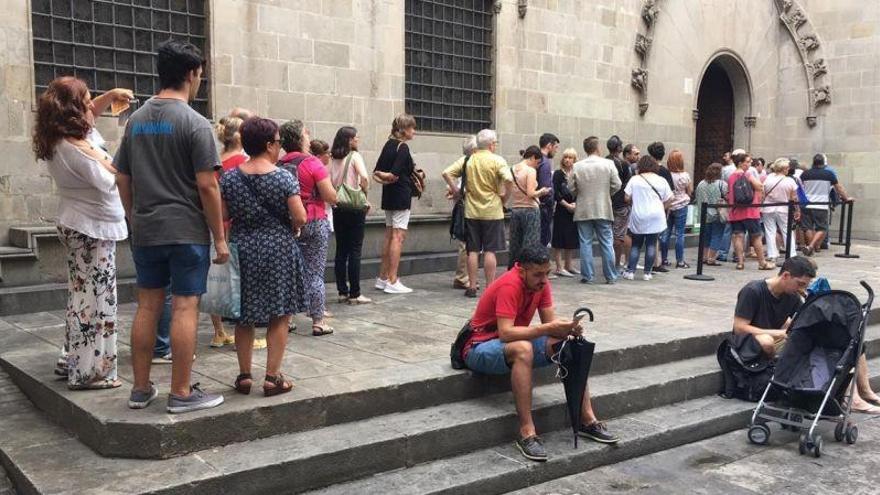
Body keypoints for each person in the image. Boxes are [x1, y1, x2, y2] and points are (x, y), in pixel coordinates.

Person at [115, 40, 225, 413]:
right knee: (184, 308)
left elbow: (122, 178)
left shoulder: (137, 120)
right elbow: (208, 185)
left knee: (147, 307)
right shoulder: (196, 124)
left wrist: (134, 216)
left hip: (147, 229)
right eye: (200, 76)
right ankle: (180, 392)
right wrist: (221, 238)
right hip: (185, 230)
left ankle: (141, 388)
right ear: (191, 75)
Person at [459, 245, 619, 462]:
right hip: (477, 347)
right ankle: (527, 432)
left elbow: (550, 324)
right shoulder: (509, 284)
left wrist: (567, 329)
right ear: (522, 270)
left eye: (547, 273)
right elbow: (506, 333)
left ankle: (587, 419)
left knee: (568, 344)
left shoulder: (541, 283)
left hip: (508, 343)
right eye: (538, 274)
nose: (544, 280)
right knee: (523, 348)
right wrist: (547, 329)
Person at [33, 77, 129, 390]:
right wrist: (117, 160)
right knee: (97, 302)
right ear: (73, 108)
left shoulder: (63, 136)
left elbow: (92, 115)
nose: (92, 105)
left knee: (82, 296)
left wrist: (111, 95)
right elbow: (107, 178)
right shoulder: (75, 148)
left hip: (83, 224)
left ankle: (71, 359)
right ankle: (90, 372)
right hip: (91, 229)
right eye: (86, 100)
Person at [220, 117, 306, 397]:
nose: (280, 147)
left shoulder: (230, 177)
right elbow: (300, 215)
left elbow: (222, 215)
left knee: (244, 315)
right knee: (279, 314)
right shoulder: (283, 177)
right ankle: (272, 377)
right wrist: (293, 223)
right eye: (278, 142)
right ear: (269, 144)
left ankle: (244, 375)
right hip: (278, 249)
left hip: (243, 247)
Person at [279, 119, 338, 336]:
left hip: (287, 222)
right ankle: (318, 320)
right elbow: (331, 196)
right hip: (314, 220)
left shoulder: (279, 164)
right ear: (300, 138)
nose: (309, 135)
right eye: (306, 132)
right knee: (314, 272)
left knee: (288, 272)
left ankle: (287, 318)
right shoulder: (313, 163)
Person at [208, 114, 262, 350]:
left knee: (217, 280)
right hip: (238, 226)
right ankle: (246, 334)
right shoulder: (244, 161)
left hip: (216, 224)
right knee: (243, 282)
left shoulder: (218, 160)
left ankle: (219, 331)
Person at [442, 129, 513, 298]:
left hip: (471, 211)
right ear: (491, 144)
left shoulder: (468, 160)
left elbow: (446, 173)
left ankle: (472, 286)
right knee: (490, 250)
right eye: (495, 143)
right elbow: (509, 180)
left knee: (472, 250)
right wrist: (504, 197)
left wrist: (456, 191)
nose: (495, 145)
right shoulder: (497, 160)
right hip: (492, 211)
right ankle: (489, 288)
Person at [730, 256, 814, 359]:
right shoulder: (752, 291)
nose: (802, 289)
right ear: (786, 275)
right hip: (746, 342)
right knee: (766, 341)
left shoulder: (792, 295)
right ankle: (773, 367)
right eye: (800, 284)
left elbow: (804, 320)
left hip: (773, 338)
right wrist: (779, 333)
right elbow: (739, 328)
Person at [373, 114, 418, 294]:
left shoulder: (388, 144)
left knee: (389, 235)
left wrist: (384, 176)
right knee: (398, 236)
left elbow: (377, 171)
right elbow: (395, 173)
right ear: (404, 129)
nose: (414, 131)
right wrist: (388, 176)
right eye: (412, 128)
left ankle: (382, 277)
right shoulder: (403, 147)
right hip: (400, 195)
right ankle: (392, 279)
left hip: (389, 194)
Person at [569, 136, 621, 284]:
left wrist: (579, 194)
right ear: (598, 148)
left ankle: (588, 275)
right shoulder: (608, 164)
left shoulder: (577, 166)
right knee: (606, 242)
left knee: (585, 242)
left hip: (584, 208)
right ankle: (610, 276)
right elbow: (617, 184)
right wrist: (606, 194)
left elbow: (570, 187)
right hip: (603, 207)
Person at [329, 126, 372, 305]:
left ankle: (342, 291)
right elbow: (364, 178)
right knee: (355, 250)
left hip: (338, 206)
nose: (357, 139)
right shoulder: (355, 156)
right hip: (354, 207)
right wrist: (364, 193)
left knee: (341, 250)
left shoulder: (333, 158)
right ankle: (355, 293)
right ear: (349, 140)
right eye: (355, 137)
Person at [621, 155, 672, 281]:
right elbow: (670, 198)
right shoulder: (661, 180)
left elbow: (626, 198)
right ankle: (647, 273)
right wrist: (662, 207)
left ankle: (630, 271)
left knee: (636, 244)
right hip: (656, 215)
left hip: (639, 214)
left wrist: (635, 201)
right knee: (651, 244)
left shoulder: (635, 179)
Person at [727, 153, 774, 271]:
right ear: (740, 163)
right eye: (747, 162)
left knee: (738, 236)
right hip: (750, 211)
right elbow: (759, 186)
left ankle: (740, 262)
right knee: (756, 236)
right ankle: (762, 262)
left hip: (735, 211)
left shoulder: (731, 176)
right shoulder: (747, 175)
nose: (749, 164)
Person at [800, 153, 852, 256]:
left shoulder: (805, 174)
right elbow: (839, 188)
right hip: (821, 204)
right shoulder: (829, 174)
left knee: (808, 228)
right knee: (822, 228)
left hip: (806, 204)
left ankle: (811, 248)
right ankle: (811, 246)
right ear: (823, 163)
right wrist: (846, 198)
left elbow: (800, 188)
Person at [507, 146, 550, 270]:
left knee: (515, 244)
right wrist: (542, 191)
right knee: (530, 244)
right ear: (532, 157)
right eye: (537, 162)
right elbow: (531, 193)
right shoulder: (530, 171)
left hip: (515, 209)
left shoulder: (512, 169)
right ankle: (528, 272)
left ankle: (513, 271)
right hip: (530, 210)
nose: (537, 166)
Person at [447, 136, 478, 290]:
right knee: (466, 242)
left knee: (467, 242)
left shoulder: (468, 162)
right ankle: (462, 277)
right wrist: (458, 192)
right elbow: (449, 175)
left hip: (466, 204)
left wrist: (455, 191)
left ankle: (465, 276)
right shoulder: (468, 162)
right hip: (467, 205)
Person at [761, 158, 799, 262]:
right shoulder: (789, 181)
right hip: (784, 208)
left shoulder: (768, 178)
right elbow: (794, 198)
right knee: (787, 231)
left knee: (770, 231)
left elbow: (763, 193)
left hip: (768, 207)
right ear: (784, 169)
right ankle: (791, 253)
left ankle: (772, 254)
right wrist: (797, 210)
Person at [660, 149, 693, 269]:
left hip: (669, 205)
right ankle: (680, 261)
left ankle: (664, 259)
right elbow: (690, 191)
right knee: (680, 234)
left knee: (666, 233)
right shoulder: (685, 175)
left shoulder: (667, 175)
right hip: (682, 205)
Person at [551, 148, 580, 276]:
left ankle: (569, 265)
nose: (567, 160)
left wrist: (576, 204)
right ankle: (559, 266)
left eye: (570, 157)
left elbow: (580, 190)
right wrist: (567, 205)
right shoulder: (558, 174)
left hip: (574, 209)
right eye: (565, 157)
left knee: (571, 238)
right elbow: (555, 193)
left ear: (575, 159)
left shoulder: (576, 173)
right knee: (559, 238)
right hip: (562, 210)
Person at [693, 163, 729, 265]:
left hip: (703, 214)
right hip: (717, 214)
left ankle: (704, 257)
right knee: (717, 236)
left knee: (706, 236)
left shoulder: (701, 184)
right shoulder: (722, 184)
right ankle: (711, 258)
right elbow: (727, 197)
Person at [607, 135, 632, 270]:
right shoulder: (623, 164)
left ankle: (611, 261)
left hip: (607, 203)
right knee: (619, 235)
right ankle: (615, 263)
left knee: (608, 234)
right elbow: (627, 183)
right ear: (619, 148)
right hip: (621, 203)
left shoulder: (604, 161)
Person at [646, 142, 671, 273]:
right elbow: (670, 193)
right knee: (656, 237)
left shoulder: (645, 171)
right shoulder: (665, 172)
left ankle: (654, 261)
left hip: (644, 206)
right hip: (660, 207)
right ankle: (655, 262)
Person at [537, 133, 560, 247]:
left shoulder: (537, 159)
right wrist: (551, 202)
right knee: (543, 240)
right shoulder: (545, 162)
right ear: (549, 146)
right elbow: (545, 187)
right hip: (543, 207)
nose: (556, 151)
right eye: (555, 147)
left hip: (538, 206)